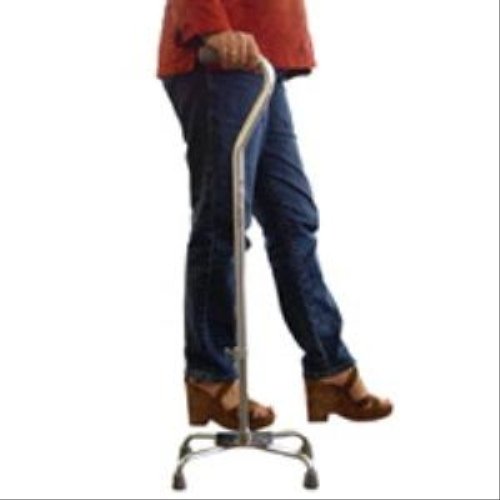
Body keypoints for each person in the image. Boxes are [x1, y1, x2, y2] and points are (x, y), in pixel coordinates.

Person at [156, 0, 393, 429]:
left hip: (261, 59)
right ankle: (210, 377)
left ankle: (329, 369)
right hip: (221, 58)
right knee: (224, 222)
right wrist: (212, 29)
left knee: (293, 221)